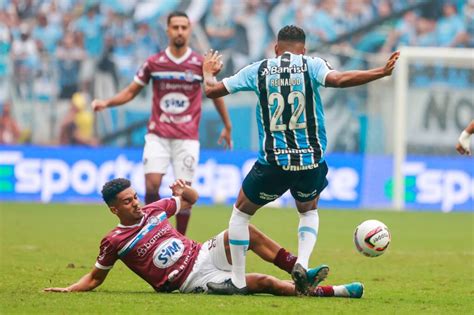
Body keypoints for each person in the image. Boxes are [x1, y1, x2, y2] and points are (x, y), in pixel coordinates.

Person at [202, 25, 399, 295]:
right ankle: (303, 265)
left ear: (275, 48)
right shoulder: (312, 65)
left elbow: (212, 92)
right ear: (303, 50)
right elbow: (340, 80)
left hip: (274, 162)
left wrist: (207, 72)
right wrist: (380, 72)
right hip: (311, 160)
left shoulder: (258, 69)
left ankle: (237, 281)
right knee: (307, 210)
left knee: (241, 214)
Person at [43, 177, 364, 298]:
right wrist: (67, 289)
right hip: (188, 281)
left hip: (203, 253)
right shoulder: (113, 241)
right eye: (128, 202)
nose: (136, 203)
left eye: (135, 197)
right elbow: (95, 278)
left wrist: (185, 191)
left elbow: (192, 199)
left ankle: (298, 269)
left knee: (245, 231)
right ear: (114, 210)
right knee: (263, 283)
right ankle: (330, 292)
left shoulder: (155, 209)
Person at [91, 11, 233, 236]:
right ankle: (154, 233)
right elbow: (131, 91)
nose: (179, 31)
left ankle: (180, 238)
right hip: (158, 134)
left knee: (184, 192)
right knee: (151, 185)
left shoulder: (199, 64)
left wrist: (228, 126)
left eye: (183, 27)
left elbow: (214, 93)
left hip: (186, 137)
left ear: (189, 30)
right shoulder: (154, 63)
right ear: (167, 30)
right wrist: (106, 102)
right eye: (175, 27)